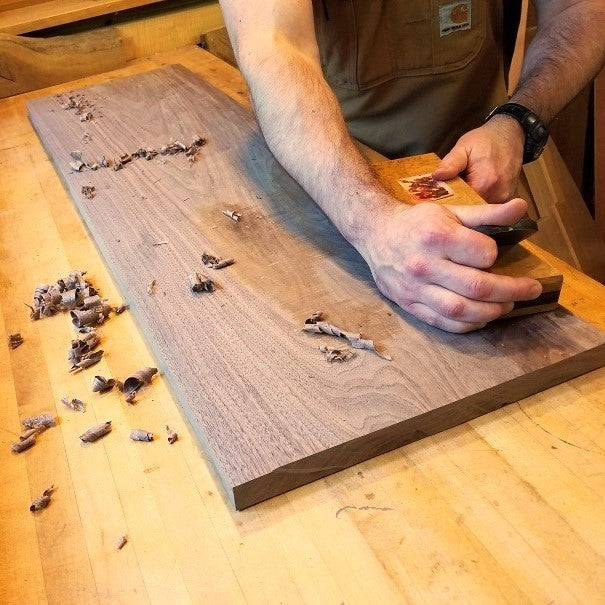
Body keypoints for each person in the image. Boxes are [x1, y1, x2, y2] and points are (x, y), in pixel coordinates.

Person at [218, 0, 605, 332]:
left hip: (486, 184)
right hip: (332, 190)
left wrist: (518, 120)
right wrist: (372, 223)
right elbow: (276, 49)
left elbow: (582, 8)